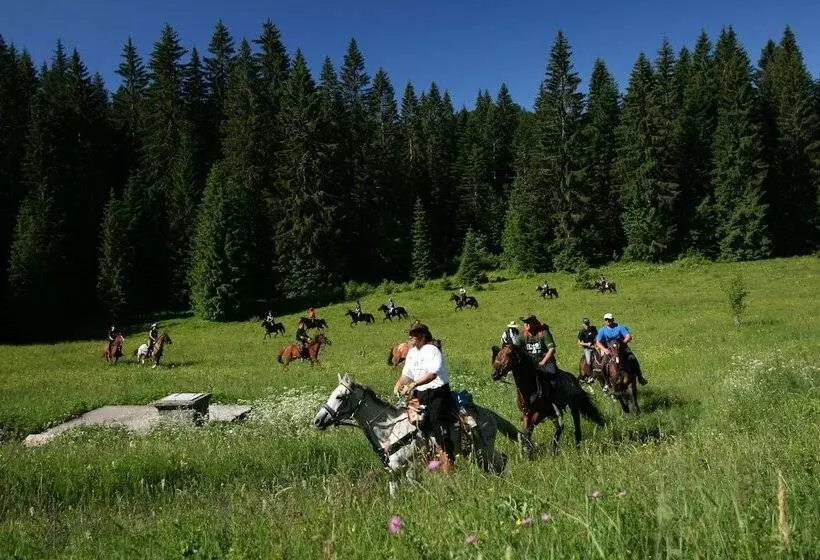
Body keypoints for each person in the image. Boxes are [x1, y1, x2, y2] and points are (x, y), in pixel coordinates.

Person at [393, 323, 455, 472]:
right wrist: (398, 384)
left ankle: (448, 459)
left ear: (422, 335)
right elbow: (406, 374)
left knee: (436, 421)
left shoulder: (433, 350)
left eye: (413, 334)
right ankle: (426, 457)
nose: (410, 337)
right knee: (410, 420)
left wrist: (413, 384)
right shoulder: (412, 353)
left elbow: (432, 374)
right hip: (420, 393)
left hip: (437, 392)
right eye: (410, 334)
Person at [595, 312, 647, 385]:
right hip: (610, 350)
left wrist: (622, 343)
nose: (608, 321)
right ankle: (607, 383)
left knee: (633, 358)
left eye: (609, 319)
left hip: (622, 347)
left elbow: (628, 336)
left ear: (613, 319)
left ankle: (640, 377)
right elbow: (598, 342)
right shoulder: (602, 330)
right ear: (604, 320)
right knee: (603, 365)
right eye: (606, 320)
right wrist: (604, 349)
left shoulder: (620, 327)